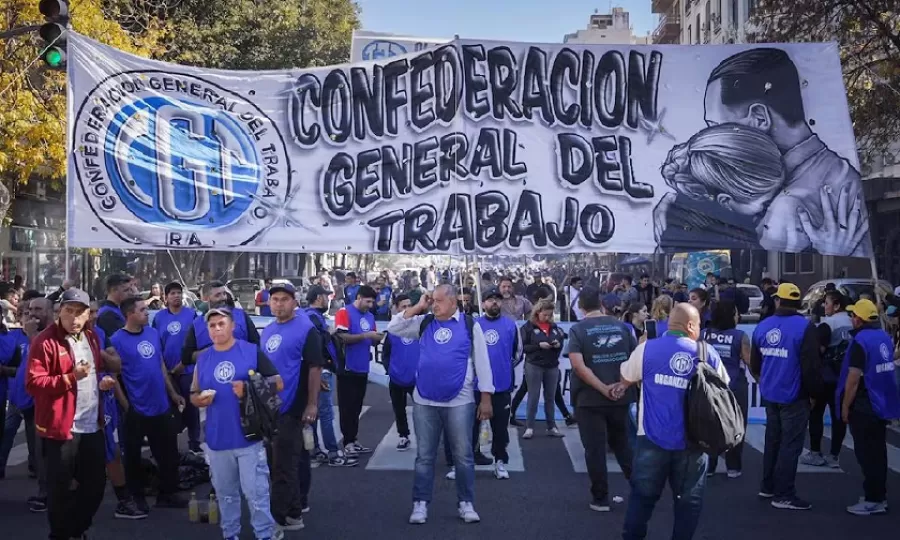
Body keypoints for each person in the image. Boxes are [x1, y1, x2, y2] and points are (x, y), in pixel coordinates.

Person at [618, 303, 729, 540]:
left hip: (651, 437)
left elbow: (626, 377)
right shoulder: (707, 352)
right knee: (688, 504)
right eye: (699, 324)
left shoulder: (647, 348)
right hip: (693, 442)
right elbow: (723, 387)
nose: (700, 329)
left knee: (642, 499)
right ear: (690, 326)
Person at [386, 285, 494, 525]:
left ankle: (466, 502)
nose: (434, 305)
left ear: (453, 302)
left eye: (438, 301)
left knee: (463, 456)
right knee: (425, 456)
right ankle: (420, 503)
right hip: (425, 398)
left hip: (460, 400)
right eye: (432, 300)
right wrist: (417, 307)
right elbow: (393, 327)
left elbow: (482, 362)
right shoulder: (424, 322)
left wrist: (485, 397)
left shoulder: (469, 324)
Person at [26, 288, 121, 540]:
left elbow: (93, 373)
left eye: (80, 312)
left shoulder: (92, 337)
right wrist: (71, 377)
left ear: (89, 314)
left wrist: (101, 384)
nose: (74, 318)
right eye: (69, 311)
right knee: (59, 490)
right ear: (59, 312)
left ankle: (73, 531)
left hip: (91, 424)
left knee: (96, 486)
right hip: (60, 428)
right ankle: (61, 534)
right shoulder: (45, 341)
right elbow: (34, 383)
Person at [190, 307, 284, 540]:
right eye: (212, 325)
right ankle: (230, 534)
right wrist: (198, 399)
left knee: (256, 493)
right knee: (226, 494)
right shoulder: (203, 359)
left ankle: (264, 534)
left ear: (233, 326)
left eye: (221, 323)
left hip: (248, 436)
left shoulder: (251, 351)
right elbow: (193, 392)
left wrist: (248, 389)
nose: (217, 329)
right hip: (216, 438)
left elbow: (278, 382)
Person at [110, 296, 187, 511]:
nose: (147, 312)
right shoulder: (116, 339)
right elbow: (114, 377)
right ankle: (137, 497)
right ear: (129, 314)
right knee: (133, 457)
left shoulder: (152, 333)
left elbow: (160, 365)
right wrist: (126, 406)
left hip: (160, 404)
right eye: (142, 309)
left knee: (168, 454)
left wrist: (172, 393)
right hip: (136, 408)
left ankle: (167, 494)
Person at [751, 282, 822, 510]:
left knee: (773, 441)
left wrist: (767, 380)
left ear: (777, 300)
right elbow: (811, 366)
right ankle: (784, 494)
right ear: (799, 303)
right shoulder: (805, 327)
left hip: (771, 393)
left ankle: (768, 486)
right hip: (795, 395)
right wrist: (813, 394)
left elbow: (755, 364)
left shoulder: (763, 326)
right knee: (790, 446)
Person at [260, 282, 324, 531]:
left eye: (284, 299)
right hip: (270, 407)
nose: (278, 304)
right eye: (274, 299)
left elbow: (315, 367)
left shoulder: (306, 328)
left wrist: (311, 404)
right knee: (279, 462)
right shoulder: (268, 330)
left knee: (284, 465)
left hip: (293, 405)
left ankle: (282, 517)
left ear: (295, 302)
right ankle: (293, 511)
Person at [567, 286, 637, 512]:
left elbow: (578, 366)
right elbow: (634, 360)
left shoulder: (578, 329)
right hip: (620, 397)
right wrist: (620, 386)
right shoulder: (622, 327)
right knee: (623, 445)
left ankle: (600, 498)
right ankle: (640, 491)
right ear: (602, 304)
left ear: (580, 306)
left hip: (589, 400)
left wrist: (602, 388)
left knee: (595, 449)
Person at [838, 299, 900, 515]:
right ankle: (878, 495)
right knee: (878, 452)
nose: (851, 319)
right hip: (881, 403)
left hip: (865, 404)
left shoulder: (860, 342)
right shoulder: (883, 337)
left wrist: (845, 406)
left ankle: (873, 499)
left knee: (866, 454)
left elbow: (853, 379)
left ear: (859, 319)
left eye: (853, 315)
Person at [304, 285, 356, 467]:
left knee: (313, 414)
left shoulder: (309, 316)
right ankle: (333, 452)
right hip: (321, 370)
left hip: (318, 370)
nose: (328, 300)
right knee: (325, 413)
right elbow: (317, 345)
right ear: (318, 298)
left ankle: (315, 450)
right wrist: (331, 332)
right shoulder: (312, 317)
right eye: (326, 297)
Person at [473, 287, 522, 479]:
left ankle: (500, 461)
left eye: (497, 299)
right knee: (471, 427)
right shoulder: (474, 324)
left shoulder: (511, 325)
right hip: (476, 386)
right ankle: (468, 459)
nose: (494, 302)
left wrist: (503, 366)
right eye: (490, 299)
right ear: (483, 303)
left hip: (502, 385)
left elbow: (517, 353)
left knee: (500, 428)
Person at [802, 290, 850, 468]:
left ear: (837, 305)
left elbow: (818, 352)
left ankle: (815, 452)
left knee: (816, 414)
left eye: (827, 302)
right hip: (845, 378)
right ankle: (834, 455)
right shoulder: (853, 322)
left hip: (826, 377)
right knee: (838, 417)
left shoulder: (828, 324)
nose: (824, 306)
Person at [703, 300, 751, 478]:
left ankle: (710, 466)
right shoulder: (740, 336)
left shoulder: (704, 334)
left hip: (709, 387)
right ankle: (733, 466)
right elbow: (749, 361)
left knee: (710, 425)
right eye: (736, 313)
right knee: (736, 425)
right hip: (735, 387)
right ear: (732, 316)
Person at [151, 282, 201, 453]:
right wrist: (165, 369)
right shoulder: (159, 318)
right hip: (167, 373)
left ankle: (194, 444)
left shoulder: (192, 315)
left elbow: (197, 344)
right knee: (170, 409)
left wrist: (183, 364)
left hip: (187, 371)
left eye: (179, 293)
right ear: (166, 297)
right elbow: (156, 346)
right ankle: (169, 446)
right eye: (172, 293)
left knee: (191, 408)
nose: (176, 296)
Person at [334, 285, 383, 456]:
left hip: (363, 367)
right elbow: (341, 337)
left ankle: (353, 439)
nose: (370, 305)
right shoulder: (344, 312)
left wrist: (377, 338)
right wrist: (365, 336)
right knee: (346, 408)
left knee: (356, 407)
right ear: (359, 297)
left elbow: (373, 337)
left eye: (372, 302)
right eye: (368, 301)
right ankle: (347, 442)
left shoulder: (370, 316)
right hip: (347, 367)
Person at [181, 281, 260, 373]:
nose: (223, 298)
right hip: (210, 377)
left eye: (224, 294)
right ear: (206, 298)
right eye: (218, 295)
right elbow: (186, 358)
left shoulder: (241, 316)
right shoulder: (197, 324)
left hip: (241, 376)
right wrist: (213, 351)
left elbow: (256, 346)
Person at [520, 300, 567, 439]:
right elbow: (523, 347)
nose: (547, 317)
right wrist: (538, 345)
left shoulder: (554, 327)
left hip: (551, 365)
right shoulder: (528, 327)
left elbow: (561, 339)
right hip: (534, 365)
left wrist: (558, 344)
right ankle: (529, 427)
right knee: (533, 396)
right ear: (537, 312)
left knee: (550, 397)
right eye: (545, 315)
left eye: (550, 315)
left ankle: (551, 426)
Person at [383, 294, 421, 452]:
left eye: (409, 305)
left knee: (422, 412)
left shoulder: (419, 326)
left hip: (417, 380)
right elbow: (385, 354)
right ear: (397, 309)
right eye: (403, 306)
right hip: (396, 378)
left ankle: (424, 438)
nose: (407, 309)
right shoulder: (393, 329)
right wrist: (390, 370)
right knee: (399, 410)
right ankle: (403, 436)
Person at [95, 273, 136, 338]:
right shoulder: (108, 314)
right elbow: (123, 338)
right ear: (113, 290)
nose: (130, 293)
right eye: (126, 290)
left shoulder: (118, 308)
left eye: (130, 289)